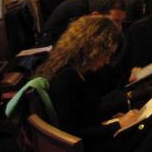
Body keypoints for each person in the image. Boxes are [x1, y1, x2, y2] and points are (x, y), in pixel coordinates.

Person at [37, 16, 138, 150]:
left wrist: (114, 119)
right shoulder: (66, 78)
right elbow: (72, 134)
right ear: (92, 48)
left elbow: (87, 116)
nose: (107, 61)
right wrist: (117, 125)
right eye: (106, 54)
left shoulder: (82, 71)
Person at [40, 0, 108, 45]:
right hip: (50, 40)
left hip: (56, 37)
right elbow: (78, 34)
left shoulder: (84, 2)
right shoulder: (81, 6)